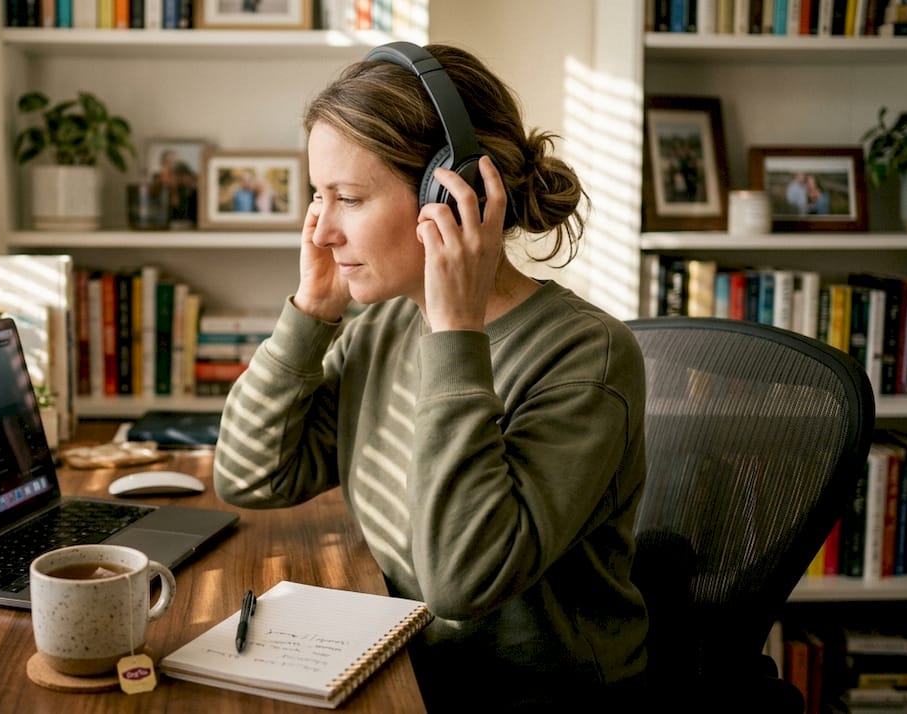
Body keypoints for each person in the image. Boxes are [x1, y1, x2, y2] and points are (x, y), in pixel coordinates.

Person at [211, 43, 649, 710]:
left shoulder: (586, 356)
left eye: (348, 198)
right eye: (316, 198)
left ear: (452, 193)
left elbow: (461, 582)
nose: (320, 230)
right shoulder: (384, 325)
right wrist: (311, 315)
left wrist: (455, 339)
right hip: (403, 667)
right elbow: (250, 476)